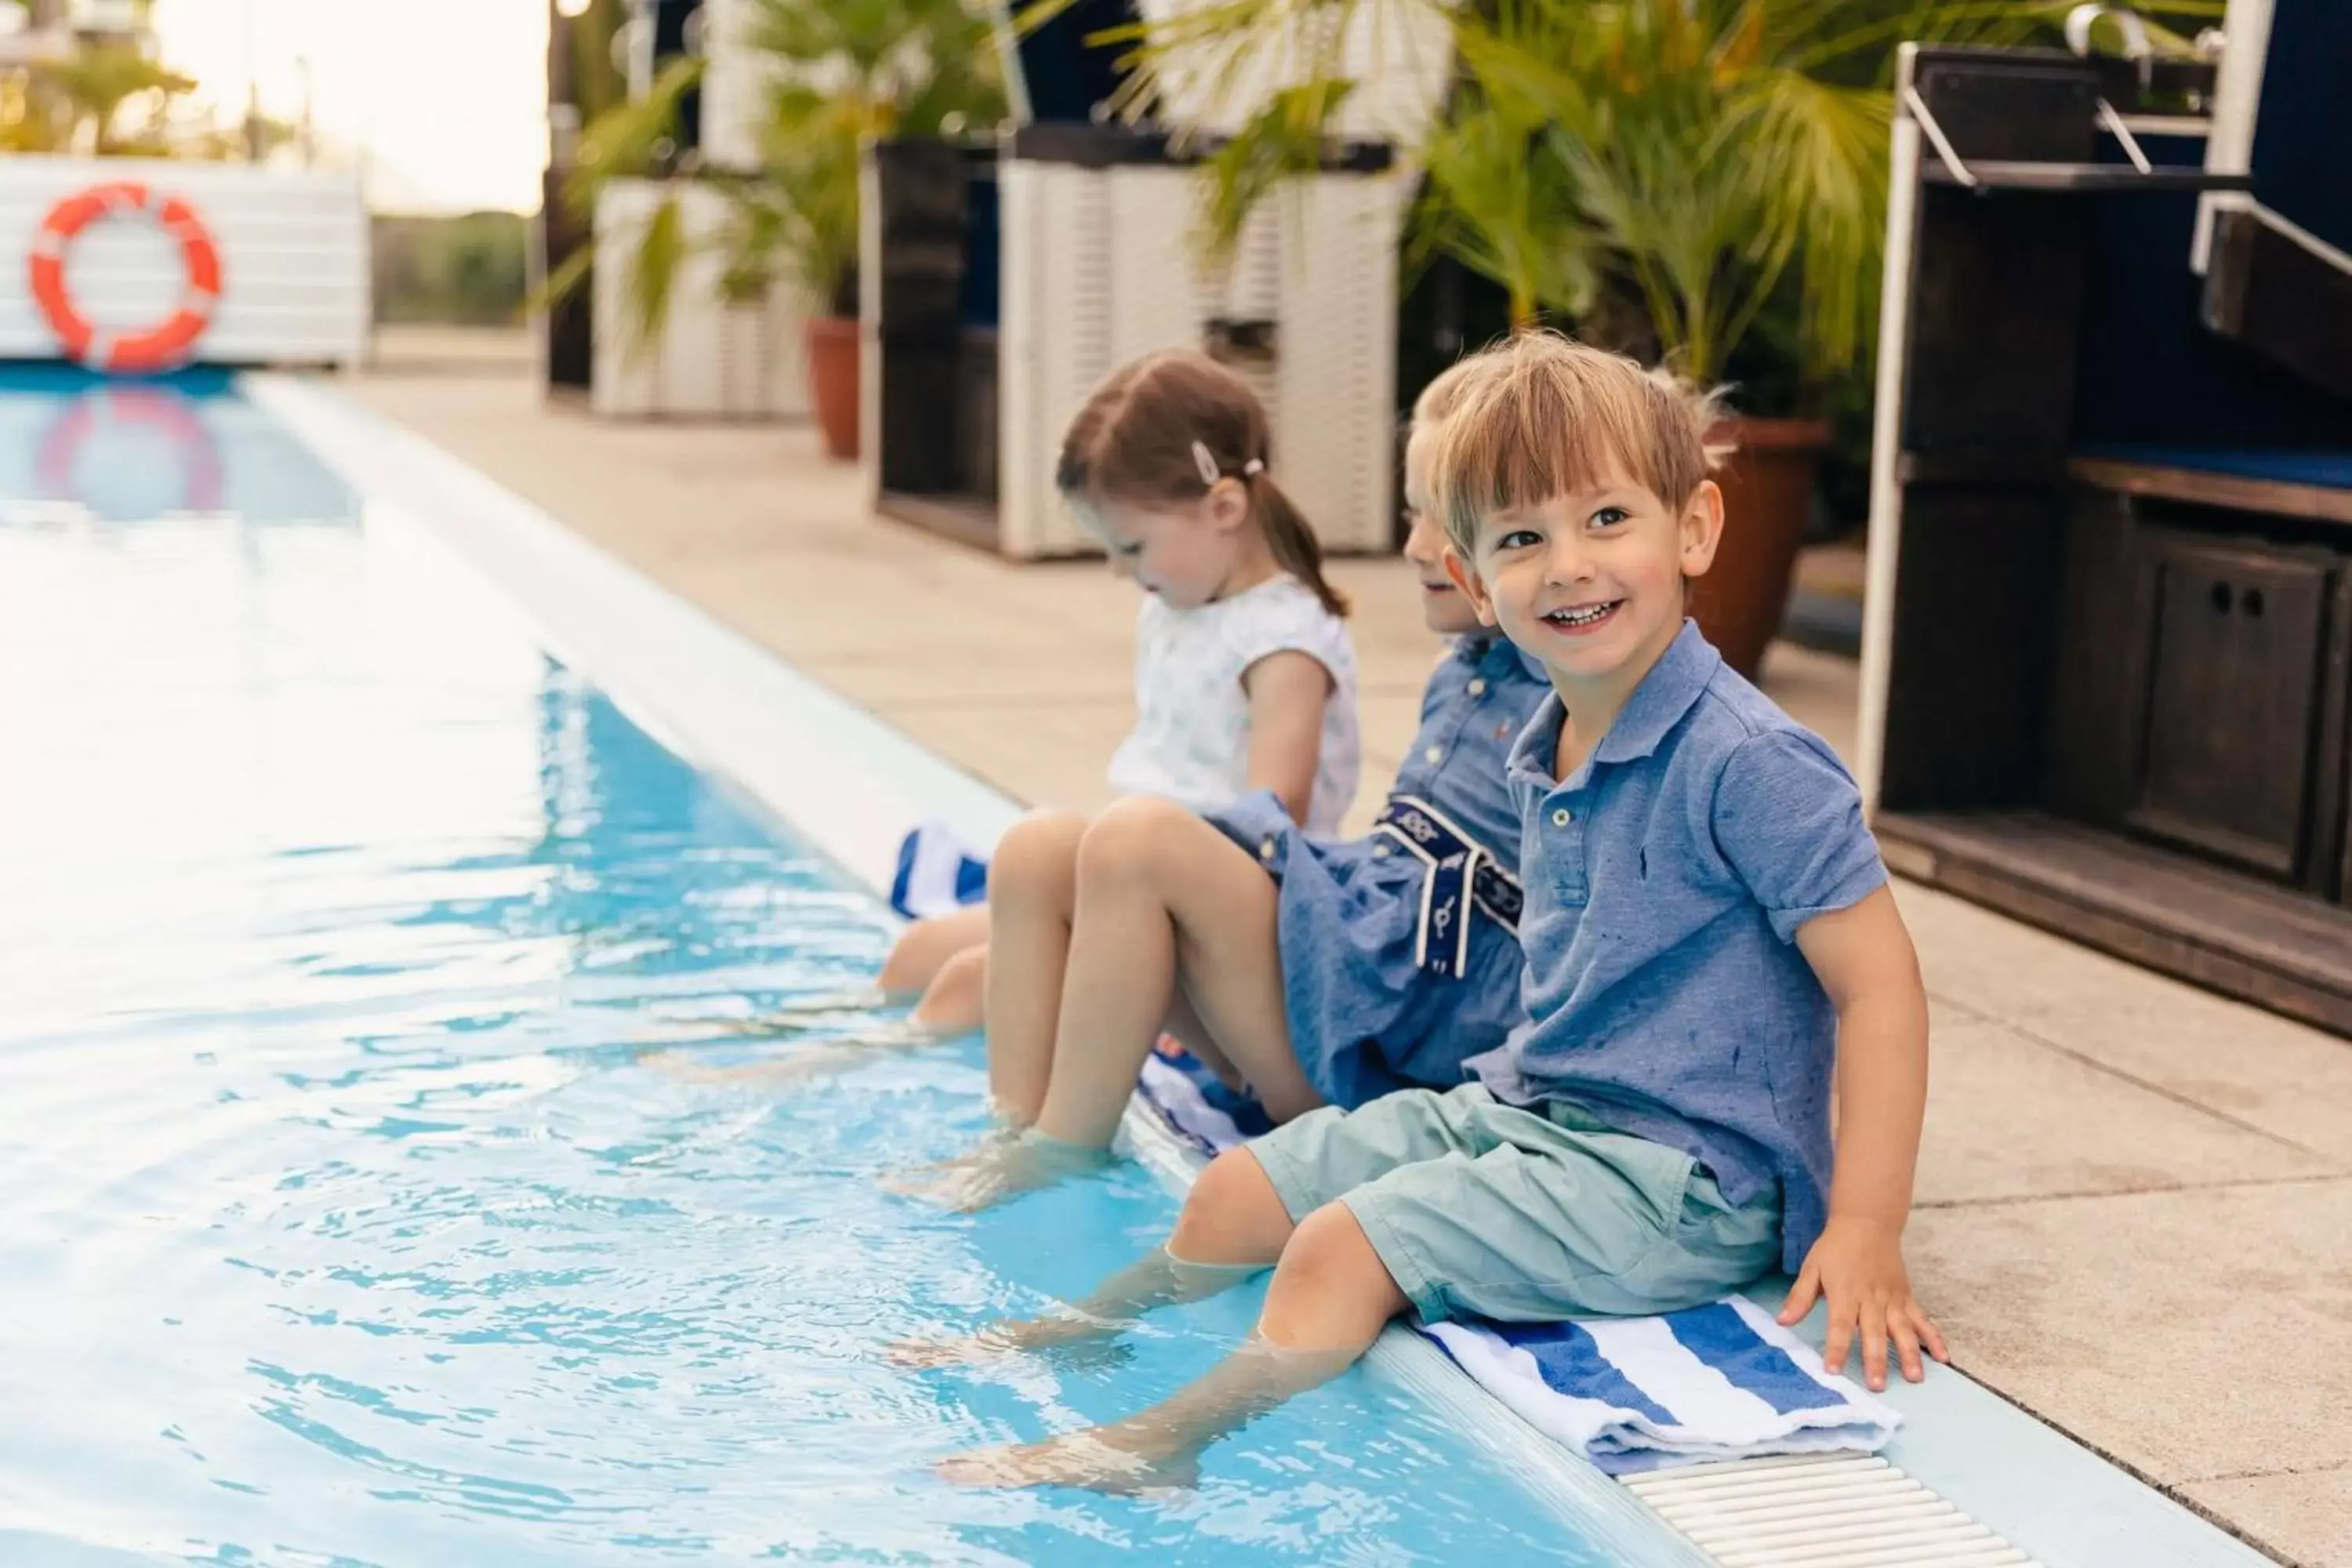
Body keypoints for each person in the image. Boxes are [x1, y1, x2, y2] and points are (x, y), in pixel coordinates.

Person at [928, 331, 1947, 1492]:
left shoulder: (1751, 761)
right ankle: (1081, 1336)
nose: (1567, 565)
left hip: (1681, 1175)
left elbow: (1880, 984)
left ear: (1696, 530)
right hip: (1533, 1107)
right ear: (1472, 581)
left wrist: (1864, 1226)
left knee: (1337, 1251)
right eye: (1521, 538)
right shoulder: (1543, 733)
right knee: (1232, 1192)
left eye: (1607, 520)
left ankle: (1163, 1450)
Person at [898, 360, 1552, 1212]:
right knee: (1037, 847)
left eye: (1451, 523)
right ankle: (1017, 1127)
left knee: (1132, 846)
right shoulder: (1461, 671)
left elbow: (1272, 817)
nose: (1415, 547)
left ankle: (1060, 1153)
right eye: (1415, 515)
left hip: (1385, 1044)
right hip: (1358, 970)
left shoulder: (1562, 702)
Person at [712, 350, 1363, 1065]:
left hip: (1219, 924)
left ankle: (803, 1071)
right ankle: (780, 1037)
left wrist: (1168, 976)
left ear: (1225, 510)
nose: (1120, 570)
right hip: (1136, 888)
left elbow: (1271, 835)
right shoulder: (1184, 605)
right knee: (921, 950)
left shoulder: (1283, 646)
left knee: (970, 982)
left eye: (1131, 546)